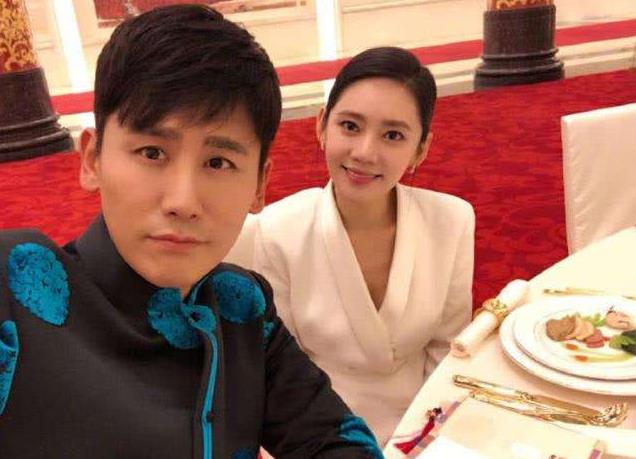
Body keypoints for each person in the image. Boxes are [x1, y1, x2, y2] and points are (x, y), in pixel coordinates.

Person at [0, 5, 384, 458]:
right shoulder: (13, 287)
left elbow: (336, 440)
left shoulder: (241, 305)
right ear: (92, 159)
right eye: (152, 152)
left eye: (218, 162)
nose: (183, 201)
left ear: (259, 185)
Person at [227, 47, 475, 445]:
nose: (364, 152)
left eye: (393, 135)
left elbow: (448, 351)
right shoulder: (279, 230)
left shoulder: (451, 221)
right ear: (321, 126)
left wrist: (424, 438)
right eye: (350, 126)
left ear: (421, 149)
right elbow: (283, 374)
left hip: (424, 425)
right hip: (320, 430)